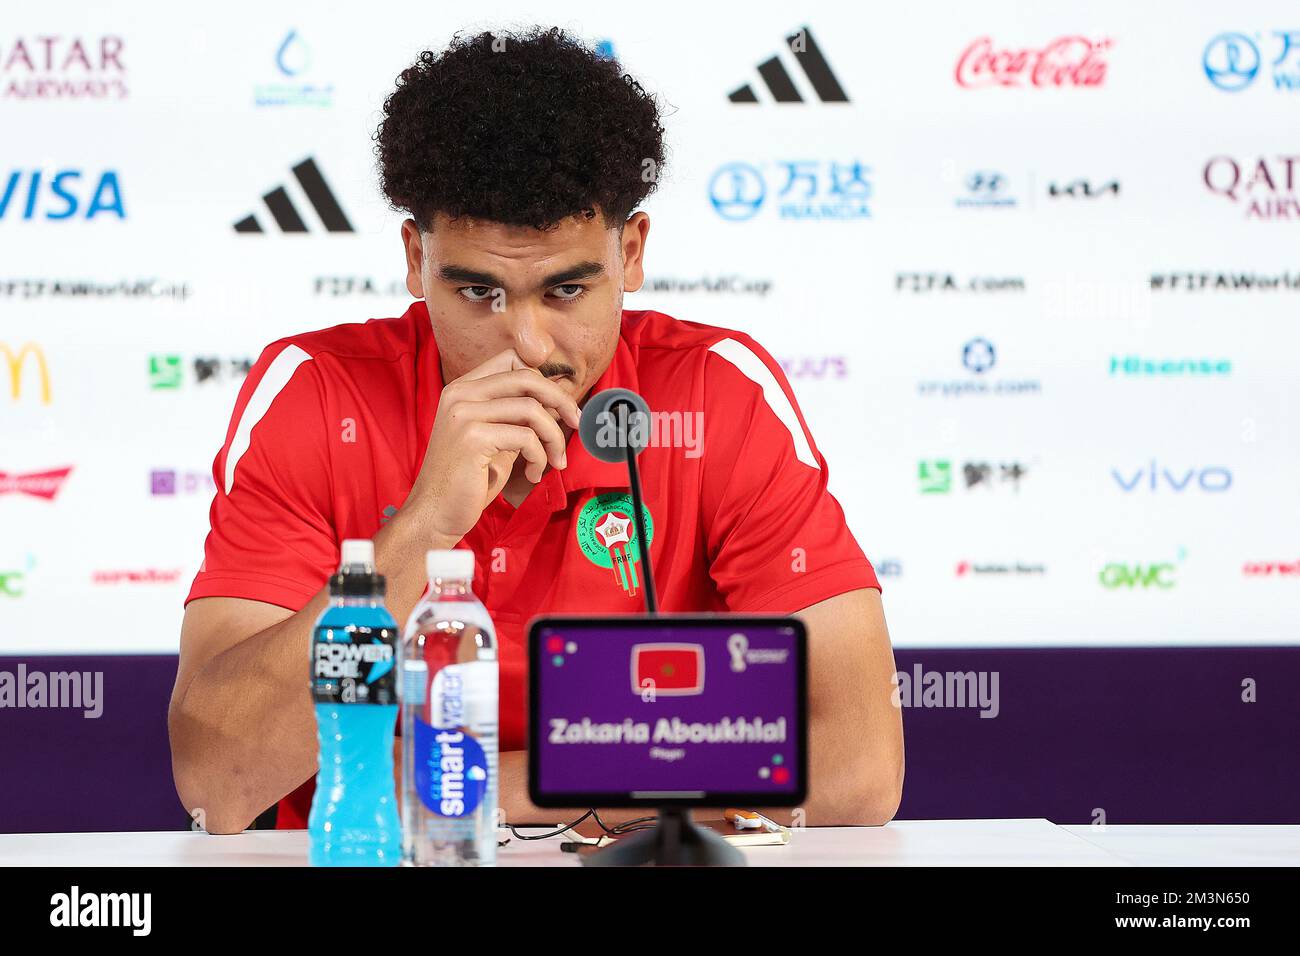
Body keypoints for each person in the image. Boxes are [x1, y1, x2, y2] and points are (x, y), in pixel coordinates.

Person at [168, 27, 904, 835]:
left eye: (565, 291)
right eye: (479, 292)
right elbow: (218, 780)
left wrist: (480, 786)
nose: (526, 344)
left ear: (631, 251)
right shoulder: (314, 395)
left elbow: (859, 767)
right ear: (416, 259)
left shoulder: (717, 396)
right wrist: (421, 529)